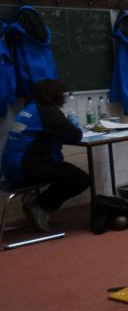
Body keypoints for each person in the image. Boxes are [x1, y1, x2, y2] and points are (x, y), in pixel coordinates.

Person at [1, 79, 89, 231]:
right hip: (26, 168)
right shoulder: (47, 112)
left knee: (63, 171)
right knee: (81, 179)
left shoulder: (29, 109)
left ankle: (34, 201)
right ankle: (40, 206)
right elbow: (75, 135)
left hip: (9, 169)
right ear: (56, 96)